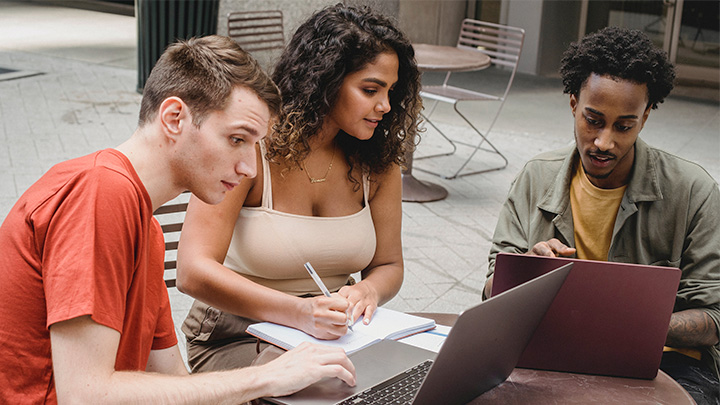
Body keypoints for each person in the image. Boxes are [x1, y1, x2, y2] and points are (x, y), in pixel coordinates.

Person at [0, 35, 356, 404]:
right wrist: (265, 379)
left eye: (254, 145)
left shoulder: (147, 228)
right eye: (237, 139)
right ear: (174, 118)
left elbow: (170, 379)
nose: (250, 168)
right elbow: (86, 395)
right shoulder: (100, 193)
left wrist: (277, 375)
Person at [177, 4, 422, 372]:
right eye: (370, 89)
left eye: (391, 91)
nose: (385, 106)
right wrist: (300, 312)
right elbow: (192, 270)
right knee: (321, 382)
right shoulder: (254, 147)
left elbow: (389, 264)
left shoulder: (378, 162)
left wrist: (368, 291)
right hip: (238, 331)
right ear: (327, 79)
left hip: (332, 334)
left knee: (422, 372)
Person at [483, 26, 719, 403]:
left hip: (668, 364)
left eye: (624, 126)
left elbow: (713, 319)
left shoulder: (693, 191)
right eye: (593, 120)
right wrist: (524, 270)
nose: (604, 142)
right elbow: (490, 292)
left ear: (645, 118)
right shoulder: (536, 177)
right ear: (573, 103)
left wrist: (627, 325)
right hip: (558, 353)